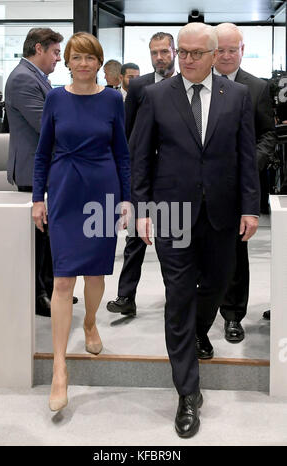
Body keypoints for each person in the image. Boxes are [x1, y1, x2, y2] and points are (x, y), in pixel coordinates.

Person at [131, 22, 260, 438]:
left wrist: (251, 208)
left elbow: (245, 157)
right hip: (171, 213)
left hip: (222, 212)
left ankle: (199, 332)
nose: (185, 59)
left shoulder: (236, 96)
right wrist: (142, 210)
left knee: (219, 286)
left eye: (194, 53)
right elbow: (141, 158)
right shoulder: (154, 96)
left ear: (213, 54)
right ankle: (187, 392)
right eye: (180, 52)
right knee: (179, 296)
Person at [32, 32, 131, 412]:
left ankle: (90, 321)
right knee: (62, 278)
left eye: (91, 57)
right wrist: (37, 198)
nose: (84, 63)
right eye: (77, 57)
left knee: (94, 275)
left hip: (102, 190)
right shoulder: (56, 97)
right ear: (68, 62)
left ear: (99, 62)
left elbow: (121, 152)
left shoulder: (111, 99)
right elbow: (42, 154)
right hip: (64, 192)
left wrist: (125, 199)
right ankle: (60, 368)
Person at [206, 22, 276, 346]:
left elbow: (267, 135)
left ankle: (233, 316)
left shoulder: (257, 88)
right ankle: (199, 317)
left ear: (242, 50)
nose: (226, 55)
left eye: (232, 49)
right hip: (198, 186)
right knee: (198, 252)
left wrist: (249, 167)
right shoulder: (195, 85)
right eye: (220, 49)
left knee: (235, 251)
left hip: (238, 186)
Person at [107, 32, 177, 317]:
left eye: (164, 51)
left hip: (174, 176)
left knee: (174, 242)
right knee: (135, 238)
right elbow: (127, 135)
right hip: (143, 175)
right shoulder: (138, 87)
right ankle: (126, 297)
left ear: (174, 51)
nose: (159, 57)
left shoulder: (186, 85)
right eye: (154, 52)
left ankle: (177, 298)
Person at [5, 28, 63, 317]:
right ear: (38, 49)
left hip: (44, 170)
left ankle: (51, 289)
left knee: (47, 236)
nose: (59, 59)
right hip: (32, 171)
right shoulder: (22, 79)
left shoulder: (36, 77)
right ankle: (38, 295)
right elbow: (46, 126)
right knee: (37, 239)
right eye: (55, 52)